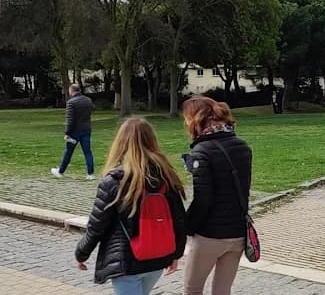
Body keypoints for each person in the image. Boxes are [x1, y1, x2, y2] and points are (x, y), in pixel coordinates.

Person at [75, 118, 186, 295]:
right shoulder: (167, 176)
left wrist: (82, 253)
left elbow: (97, 225)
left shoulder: (114, 181)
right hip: (157, 258)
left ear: (120, 142)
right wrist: (176, 254)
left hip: (127, 260)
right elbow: (179, 220)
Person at [182, 96, 253, 295]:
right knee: (223, 291)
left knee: (192, 289)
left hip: (210, 235)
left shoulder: (202, 151)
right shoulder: (242, 146)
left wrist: (187, 226)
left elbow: (203, 199)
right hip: (238, 231)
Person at [53, 84, 95, 179]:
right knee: (87, 152)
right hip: (86, 129)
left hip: (74, 131)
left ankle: (61, 171)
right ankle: (90, 173)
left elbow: (70, 119)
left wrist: (67, 132)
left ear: (71, 91)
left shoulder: (71, 102)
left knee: (68, 151)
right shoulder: (88, 100)